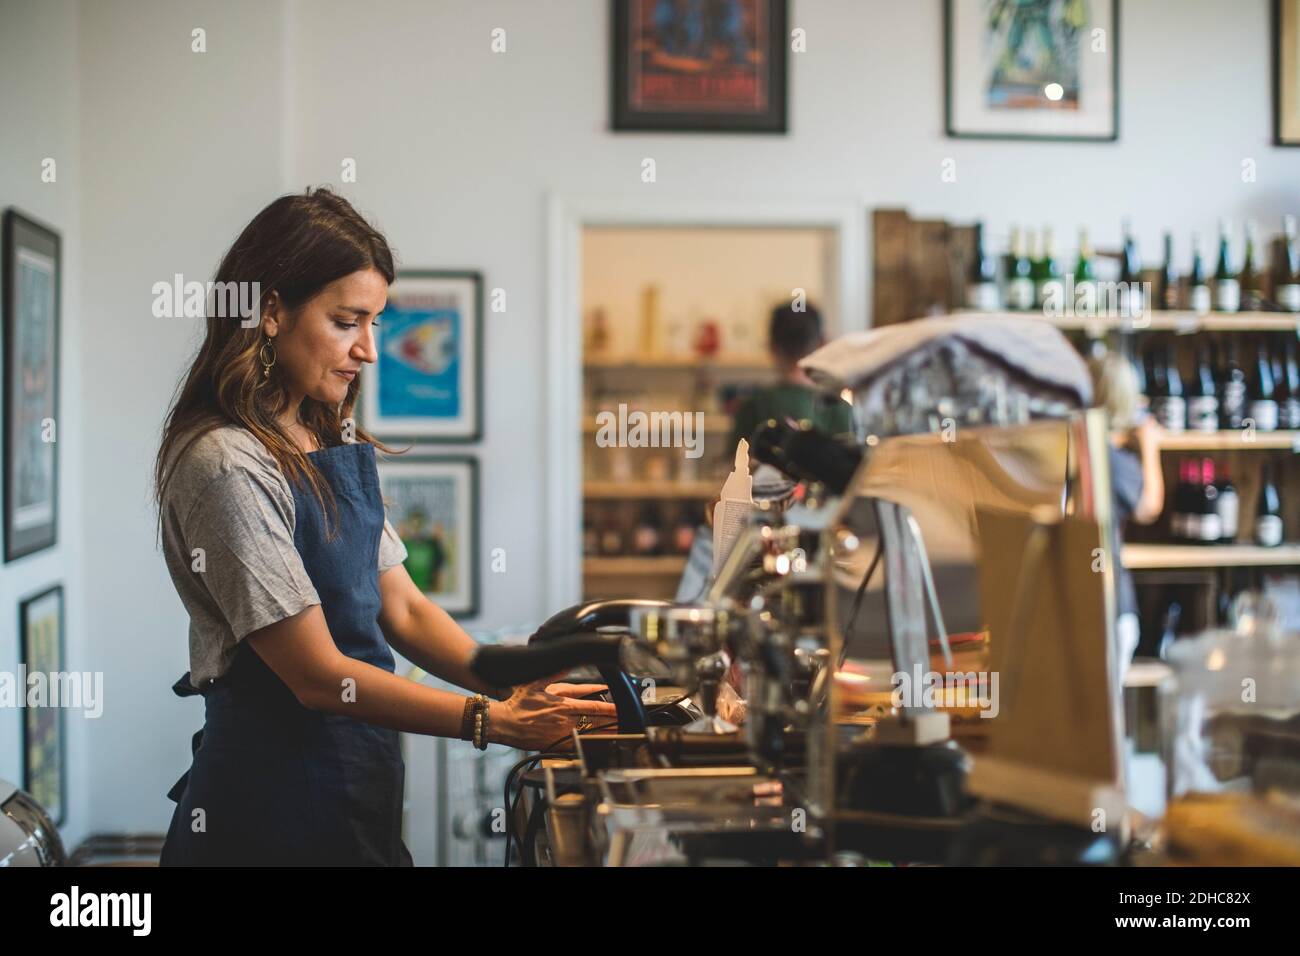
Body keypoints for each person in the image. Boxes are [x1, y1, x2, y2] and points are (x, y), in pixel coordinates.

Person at [154, 187, 615, 866]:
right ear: (272, 311)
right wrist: (494, 721)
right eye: (347, 321)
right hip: (269, 805)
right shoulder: (225, 463)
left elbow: (402, 604)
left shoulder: (321, 435)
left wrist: (506, 684)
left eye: (375, 322)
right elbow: (316, 674)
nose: (370, 349)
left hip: (352, 784)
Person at [1090, 353, 1164, 675]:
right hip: (1112, 603)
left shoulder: (1072, 450)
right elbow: (1149, 507)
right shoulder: (1115, 461)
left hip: (1076, 601)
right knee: (1106, 716)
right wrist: (1150, 445)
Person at [726, 300, 854, 454]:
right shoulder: (842, 411)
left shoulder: (753, 407)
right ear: (822, 344)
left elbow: (733, 470)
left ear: (772, 346)